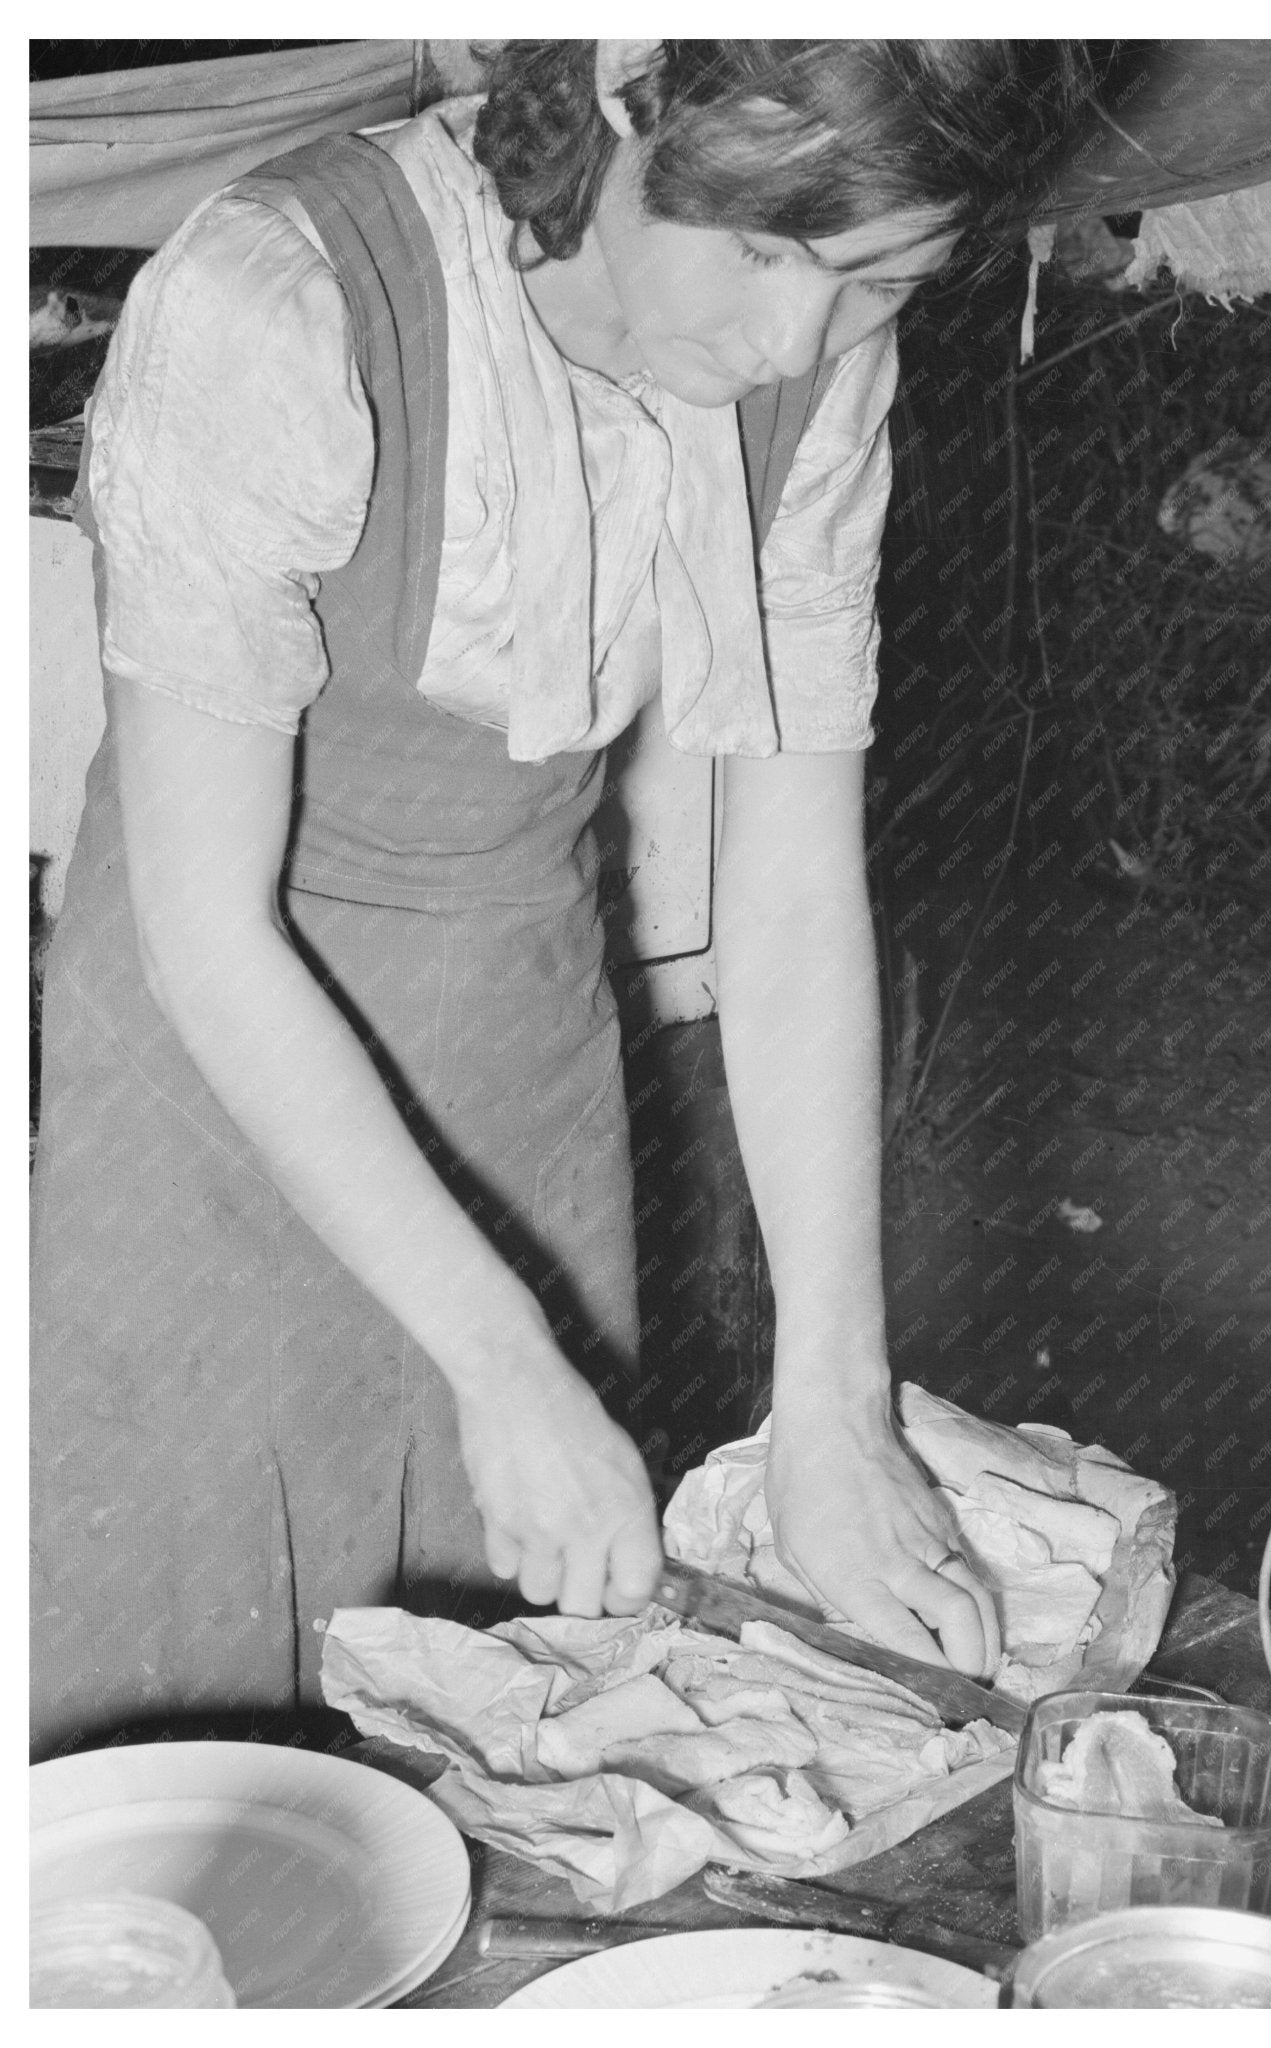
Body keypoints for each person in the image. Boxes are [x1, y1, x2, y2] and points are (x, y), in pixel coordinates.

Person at [30, 39, 1080, 1757]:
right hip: (207, 1088)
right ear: (619, 114)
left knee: (503, 1729)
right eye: (763, 252)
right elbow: (205, 927)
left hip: (522, 1052)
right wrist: (502, 1361)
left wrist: (833, 1399)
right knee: (185, 1760)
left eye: (880, 279)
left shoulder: (823, 360)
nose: (790, 346)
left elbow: (793, 882)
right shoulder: (278, 302)